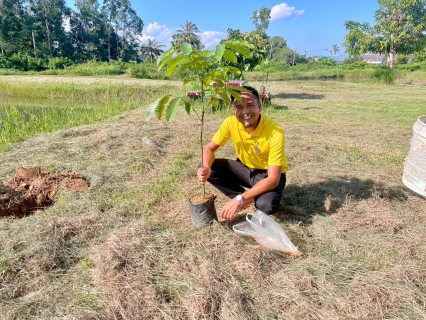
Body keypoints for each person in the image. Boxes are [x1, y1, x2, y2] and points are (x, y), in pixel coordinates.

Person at [197, 85, 288, 221]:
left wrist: (239, 200)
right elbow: (209, 149)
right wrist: (205, 168)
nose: (245, 111)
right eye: (239, 107)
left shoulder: (274, 132)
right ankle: (243, 196)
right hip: (244, 168)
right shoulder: (230, 123)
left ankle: (245, 198)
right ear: (234, 111)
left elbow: (273, 180)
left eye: (250, 105)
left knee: (266, 205)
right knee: (207, 165)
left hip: (268, 174)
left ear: (260, 107)